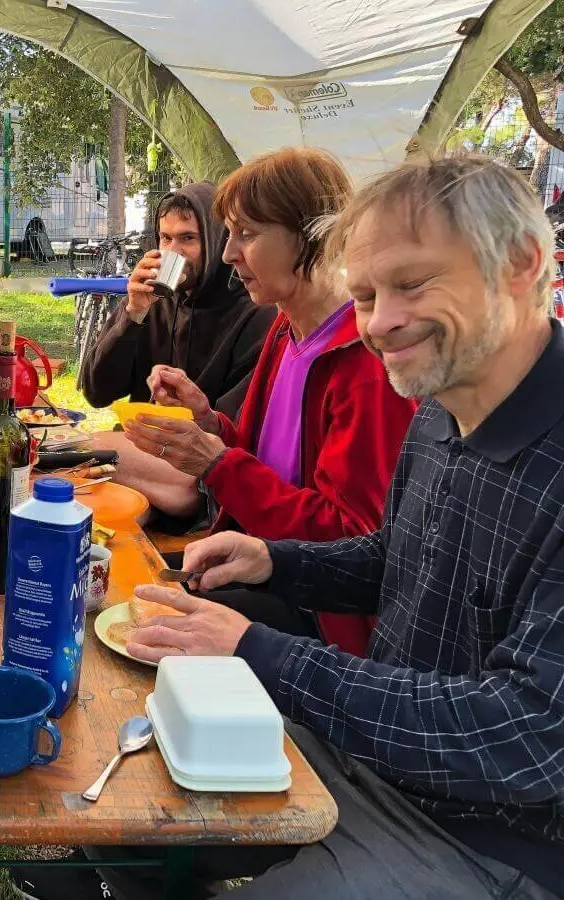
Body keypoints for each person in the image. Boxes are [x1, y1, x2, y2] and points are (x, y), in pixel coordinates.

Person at [20, 156, 564, 900]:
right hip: (369, 754)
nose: (378, 324)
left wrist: (260, 649)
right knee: (123, 811)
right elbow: (395, 555)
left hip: (493, 839)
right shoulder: (441, 405)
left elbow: (524, 739)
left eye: (411, 285)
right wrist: (274, 562)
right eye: (366, 294)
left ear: (522, 264)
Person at [98, 148, 417, 654]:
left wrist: (217, 463)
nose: (229, 255)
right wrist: (210, 421)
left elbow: (350, 536)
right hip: (252, 560)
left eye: (246, 234)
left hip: (320, 620)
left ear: (310, 234)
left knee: (137, 632)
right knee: (112, 598)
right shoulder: (288, 332)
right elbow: (265, 457)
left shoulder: (363, 363)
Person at [78, 182, 275, 418]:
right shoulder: (151, 302)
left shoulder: (253, 311)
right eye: (166, 238)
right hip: (142, 440)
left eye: (188, 238)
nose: (174, 251)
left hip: (202, 451)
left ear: (217, 241)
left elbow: (239, 423)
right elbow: (97, 393)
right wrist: (132, 314)